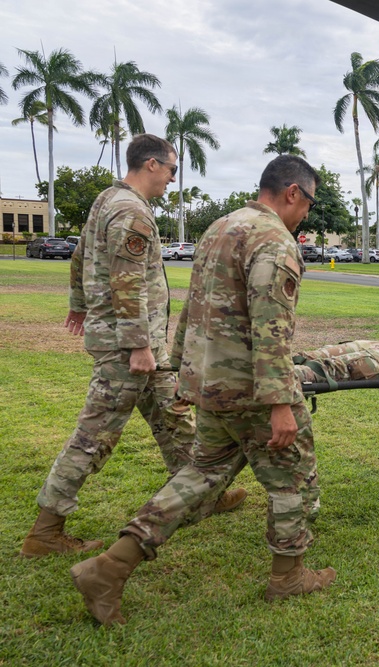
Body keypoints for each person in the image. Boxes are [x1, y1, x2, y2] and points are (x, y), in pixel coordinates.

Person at [70, 156, 333, 626]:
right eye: (309, 203)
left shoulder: (219, 228)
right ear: (293, 192)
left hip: (211, 385)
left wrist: (184, 376)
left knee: (200, 475)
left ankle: (110, 566)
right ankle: (288, 576)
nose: (307, 214)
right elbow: (271, 329)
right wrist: (280, 405)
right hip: (252, 392)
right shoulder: (274, 240)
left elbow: (191, 308)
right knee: (293, 478)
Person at [20, 135, 244, 559]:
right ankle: (46, 530)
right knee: (95, 434)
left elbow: (79, 256)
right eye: (172, 170)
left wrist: (78, 305)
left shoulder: (107, 200)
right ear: (152, 164)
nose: (172, 180)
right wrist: (139, 345)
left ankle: (200, 497)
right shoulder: (130, 211)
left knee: (175, 416)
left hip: (145, 346)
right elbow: (128, 283)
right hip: (131, 349)